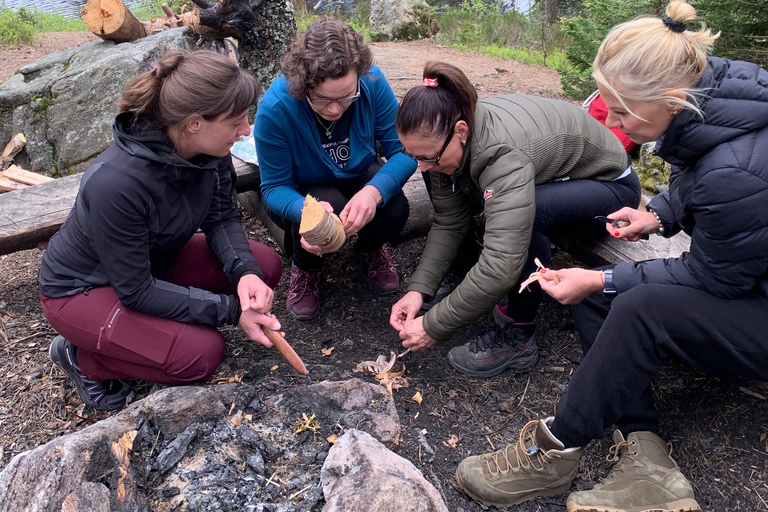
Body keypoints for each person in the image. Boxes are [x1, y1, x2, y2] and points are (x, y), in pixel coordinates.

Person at [452, 3, 768, 511]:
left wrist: (601, 280)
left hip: (752, 302)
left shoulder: (734, 168)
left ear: (671, 98)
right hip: (750, 276)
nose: (612, 122)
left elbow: (714, 276)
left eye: (621, 112)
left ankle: (556, 449)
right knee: (604, 289)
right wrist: (658, 213)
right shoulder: (720, 96)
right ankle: (646, 456)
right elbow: (706, 167)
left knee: (633, 303)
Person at [40, 50, 283, 412]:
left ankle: (128, 338)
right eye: (237, 120)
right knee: (201, 354)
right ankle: (82, 357)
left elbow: (220, 219)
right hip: (82, 289)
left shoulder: (210, 152)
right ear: (194, 123)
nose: (247, 130)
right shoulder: (116, 183)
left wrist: (245, 273)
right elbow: (136, 291)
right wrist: (232, 311)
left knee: (263, 266)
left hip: (155, 260)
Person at [389, 62, 641, 378]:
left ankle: (517, 334)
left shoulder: (501, 154)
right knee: (475, 194)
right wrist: (419, 290)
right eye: (415, 157)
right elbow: (449, 220)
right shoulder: (443, 137)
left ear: (461, 132)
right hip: (557, 176)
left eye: (429, 158)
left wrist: (433, 326)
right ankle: (461, 274)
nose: (423, 167)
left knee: (528, 214)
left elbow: (501, 264)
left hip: (610, 188)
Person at [254, 18, 417, 320]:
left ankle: (370, 249)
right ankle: (306, 268)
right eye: (322, 100)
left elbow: (405, 151)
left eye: (346, 98)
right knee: (325, 207)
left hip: (358, 171)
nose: (334, 109)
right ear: (303, 87)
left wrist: (373, 192)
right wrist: (306, 213)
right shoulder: (276, 109)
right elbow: (273, 188)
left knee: (394, 206)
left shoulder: (373, 83)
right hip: (303, 187)